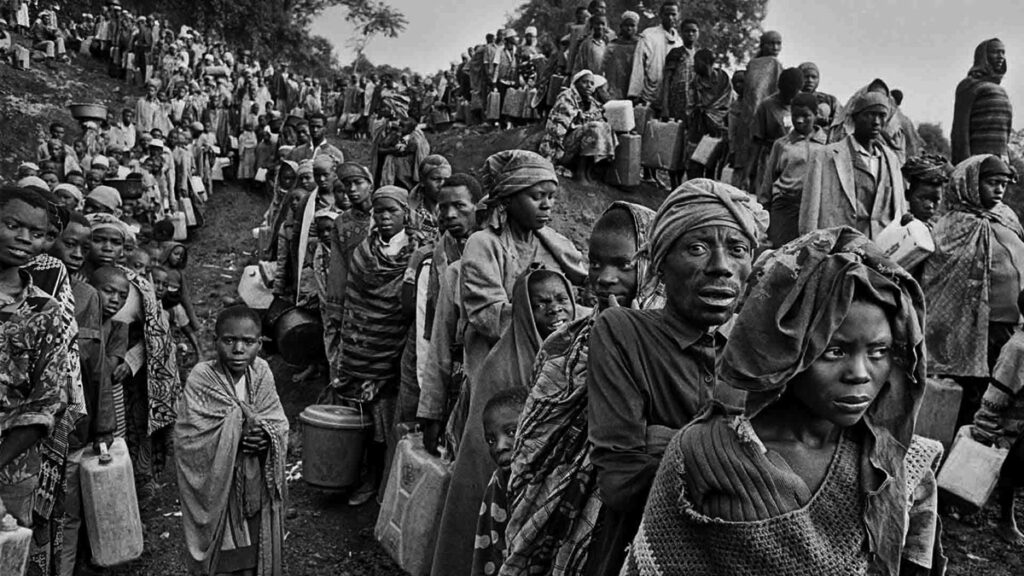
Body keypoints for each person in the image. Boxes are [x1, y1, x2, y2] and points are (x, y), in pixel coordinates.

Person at [621, 227, 943, 576]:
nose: (860, 373)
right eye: (834, 351)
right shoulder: (704, 453)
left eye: (879, 352)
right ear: (783, 353)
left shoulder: (898, 468)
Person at [585, 180, 765, 576]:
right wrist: (738, 454)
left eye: (737, 250)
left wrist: (667, 442)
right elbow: (621, 483)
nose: (721, 265)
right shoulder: (623, 332)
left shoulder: (760, 351)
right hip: (644, 551)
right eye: (697, 248)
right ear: (661, 264)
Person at [430, 151, 586, 576]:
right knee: (487, 473)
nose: (547, 205)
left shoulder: (553, 244)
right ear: (510, 197)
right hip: (496, 376)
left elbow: (572, 297)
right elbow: (486, 310)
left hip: (547, 379)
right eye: (537, 196)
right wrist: (538, 313)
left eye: (552, 196)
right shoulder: (485, 244)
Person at [500, 202, 660, 576]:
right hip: (548, 507)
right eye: (594, 263)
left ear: (655, 267)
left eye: (623, 265)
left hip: (619, 515)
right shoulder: (565, 343)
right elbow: (533, 441)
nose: (604, 277)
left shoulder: (671, 349)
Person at [441, 266, 581, 576]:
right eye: (540, 304)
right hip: (509, 494)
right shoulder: (501, 365)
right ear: (522, 311)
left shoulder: (582, 355)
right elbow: (482, 450)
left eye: (561, 299)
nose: (554, 309)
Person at [175, 306, 289, 576]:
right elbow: (189, 438)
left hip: (255, 484)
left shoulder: (261, 373)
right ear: (215, 341)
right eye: (229, 340)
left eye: (248, 342)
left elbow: (278, 422)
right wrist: (237, 433)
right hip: (218, 489)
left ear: (259, 344)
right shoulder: (202, 377)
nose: (238, 349)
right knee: (224, 559)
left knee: (253, 551)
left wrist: (266, 437)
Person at [329, 186, 415, 507]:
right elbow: (356, 301)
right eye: (379, 212)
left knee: (387, 419)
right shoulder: (364, 252)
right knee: (364, 419)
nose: (384, 217)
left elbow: (407, 306)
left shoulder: (415, 253)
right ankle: (364, 475)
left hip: (394, 351)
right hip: (362, 349)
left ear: (405, 213)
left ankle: (384, 482)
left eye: (391, 211)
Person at [922, 155, 1023, 427]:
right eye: (992, 183)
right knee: (973, 394)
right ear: (969, 184)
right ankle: (963, 448)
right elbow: (938, 281)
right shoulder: (952, 226)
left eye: (1003, 184)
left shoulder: (1006, 216)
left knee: (1005, 390)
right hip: (971, 328)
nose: (999, 190)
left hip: (1010, 323)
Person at [0, 186, 67, 544]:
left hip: (10, 467)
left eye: (38, 233)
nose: (25, 238)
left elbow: (46, 403)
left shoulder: (44, 311)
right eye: (12, 225)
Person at [417, 173, 485, 455]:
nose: (449, 214)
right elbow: (438, 334)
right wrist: (431, 409)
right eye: (443, 207)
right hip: (458, 373)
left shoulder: (490, 252)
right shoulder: (442, 255)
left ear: (478, 208)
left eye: (459, 206)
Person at [799, 90, 907, 239]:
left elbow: (899, 210)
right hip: (839, 250)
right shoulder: (825, 156)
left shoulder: (891, 160)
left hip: (881, 249)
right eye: (870, 114)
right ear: (855, 117)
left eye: (881, 115)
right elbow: (809, 214)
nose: (876, 121)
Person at [973, 288, 1024, 547]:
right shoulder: (1017, 348)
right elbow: (997, 392)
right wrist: (985, 428)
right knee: (1012, 472)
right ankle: (1005, 519)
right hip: (1010, 428)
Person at [324, 163, 376, 383]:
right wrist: (336, 308)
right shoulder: (342, 223)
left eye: (357, 183)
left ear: (370, 185)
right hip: (355, 300)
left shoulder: (386, 214)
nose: (352, 189)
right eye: (347, 185)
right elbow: (337, 268)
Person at [471, 388, 529, 576]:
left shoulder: (552, 478)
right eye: (491, 440)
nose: (500, 446)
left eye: (511, 432)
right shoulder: (498, 483)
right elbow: (490, 546)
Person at [759, 92, 828, 246]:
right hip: (785, 208)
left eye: (805, 115)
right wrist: (763, 212)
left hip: (815, 210)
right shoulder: (781, 144)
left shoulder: (828, 145)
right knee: (780, 255)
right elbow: (768, 181)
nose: (799, 120)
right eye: (795, 115)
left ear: (816, 115)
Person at [540, 70, 617, 183]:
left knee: (604, 127)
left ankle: (588, 171)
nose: (589, 86)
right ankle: (580, 173)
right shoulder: (566, 97)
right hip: (562, 144)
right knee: (592, 128)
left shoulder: (592, 101)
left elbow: (599, 117)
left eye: (591, 84)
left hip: (579, 141)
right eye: (585, 82)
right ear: (576, 83)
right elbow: (559, 127)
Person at [734, 31, 784, 190]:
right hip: (761, 119)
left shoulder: (753, 64)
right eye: (771, 43)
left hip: (748, 119)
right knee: (759, 162)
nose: (775, 47)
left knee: (748, 161)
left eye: (778, 43)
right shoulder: (772, 64)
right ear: (763, 45)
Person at [952, 39, 1012, 163]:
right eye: (995, 52)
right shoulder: (969, 85)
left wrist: (1007, 157)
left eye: (1003, 52)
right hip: (978, 158)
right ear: (983, 56)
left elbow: (1006, 131)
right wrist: (964, 163)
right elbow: (960, 129)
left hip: (1000, 159)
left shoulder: (1001, 90)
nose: (1001, 57)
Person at [749, 67, 804, 194]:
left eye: (794, 94)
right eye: (787, 94)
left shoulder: (804, 104)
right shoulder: (767, 106)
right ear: (780, 88)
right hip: (771, 160)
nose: (790, 99)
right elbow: (756, 140)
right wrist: (748, 173)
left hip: (797, 162)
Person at [684, 49, 733, 180]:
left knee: (712, 163)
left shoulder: (723, 78)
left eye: (697, 62)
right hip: (699, 125)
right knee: (694, 162)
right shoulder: (695, 82)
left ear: (707, 63)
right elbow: (690, 105)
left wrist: (712, 114)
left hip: (718, 127)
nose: (694, 65)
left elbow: (727, 101)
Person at [627, 1, 681, 105]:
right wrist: (634, 94)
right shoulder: (649, 35)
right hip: (649, 95)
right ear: (661, 15)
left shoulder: (679, 41)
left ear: (678, 16)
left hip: (670, 97)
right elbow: (638, 65)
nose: (670, 18)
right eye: (667, 14)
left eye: (673, 14)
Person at [658, 18, 700, 124]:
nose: (690, 34)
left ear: (698, 33)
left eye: (693, 31)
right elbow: (667, 80)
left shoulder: (700, 56)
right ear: (681, 34)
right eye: (687, 31)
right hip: (677, 103)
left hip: (695, 103)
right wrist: (665, 107)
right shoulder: (675, 53)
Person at [901, 154, 952, 228]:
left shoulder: (938, 230)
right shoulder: (899, 227)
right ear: (908, 195)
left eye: (936, 200)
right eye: (923, 198)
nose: (930, 206)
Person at [602, 11, 639, 101]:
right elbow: (603, 66)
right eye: (626, 25)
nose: (629, 28)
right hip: (617, 84)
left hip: (634, 82)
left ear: (637, 27)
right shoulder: (613, 45)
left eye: (632, 25)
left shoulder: (641, 44)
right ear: (621, 27)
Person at [799, 61, 841, 129]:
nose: (810, 80)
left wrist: (828, 121)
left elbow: (841, 120)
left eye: (814, 77)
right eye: (806, 77)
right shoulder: (790, 100)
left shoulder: (830, 100)